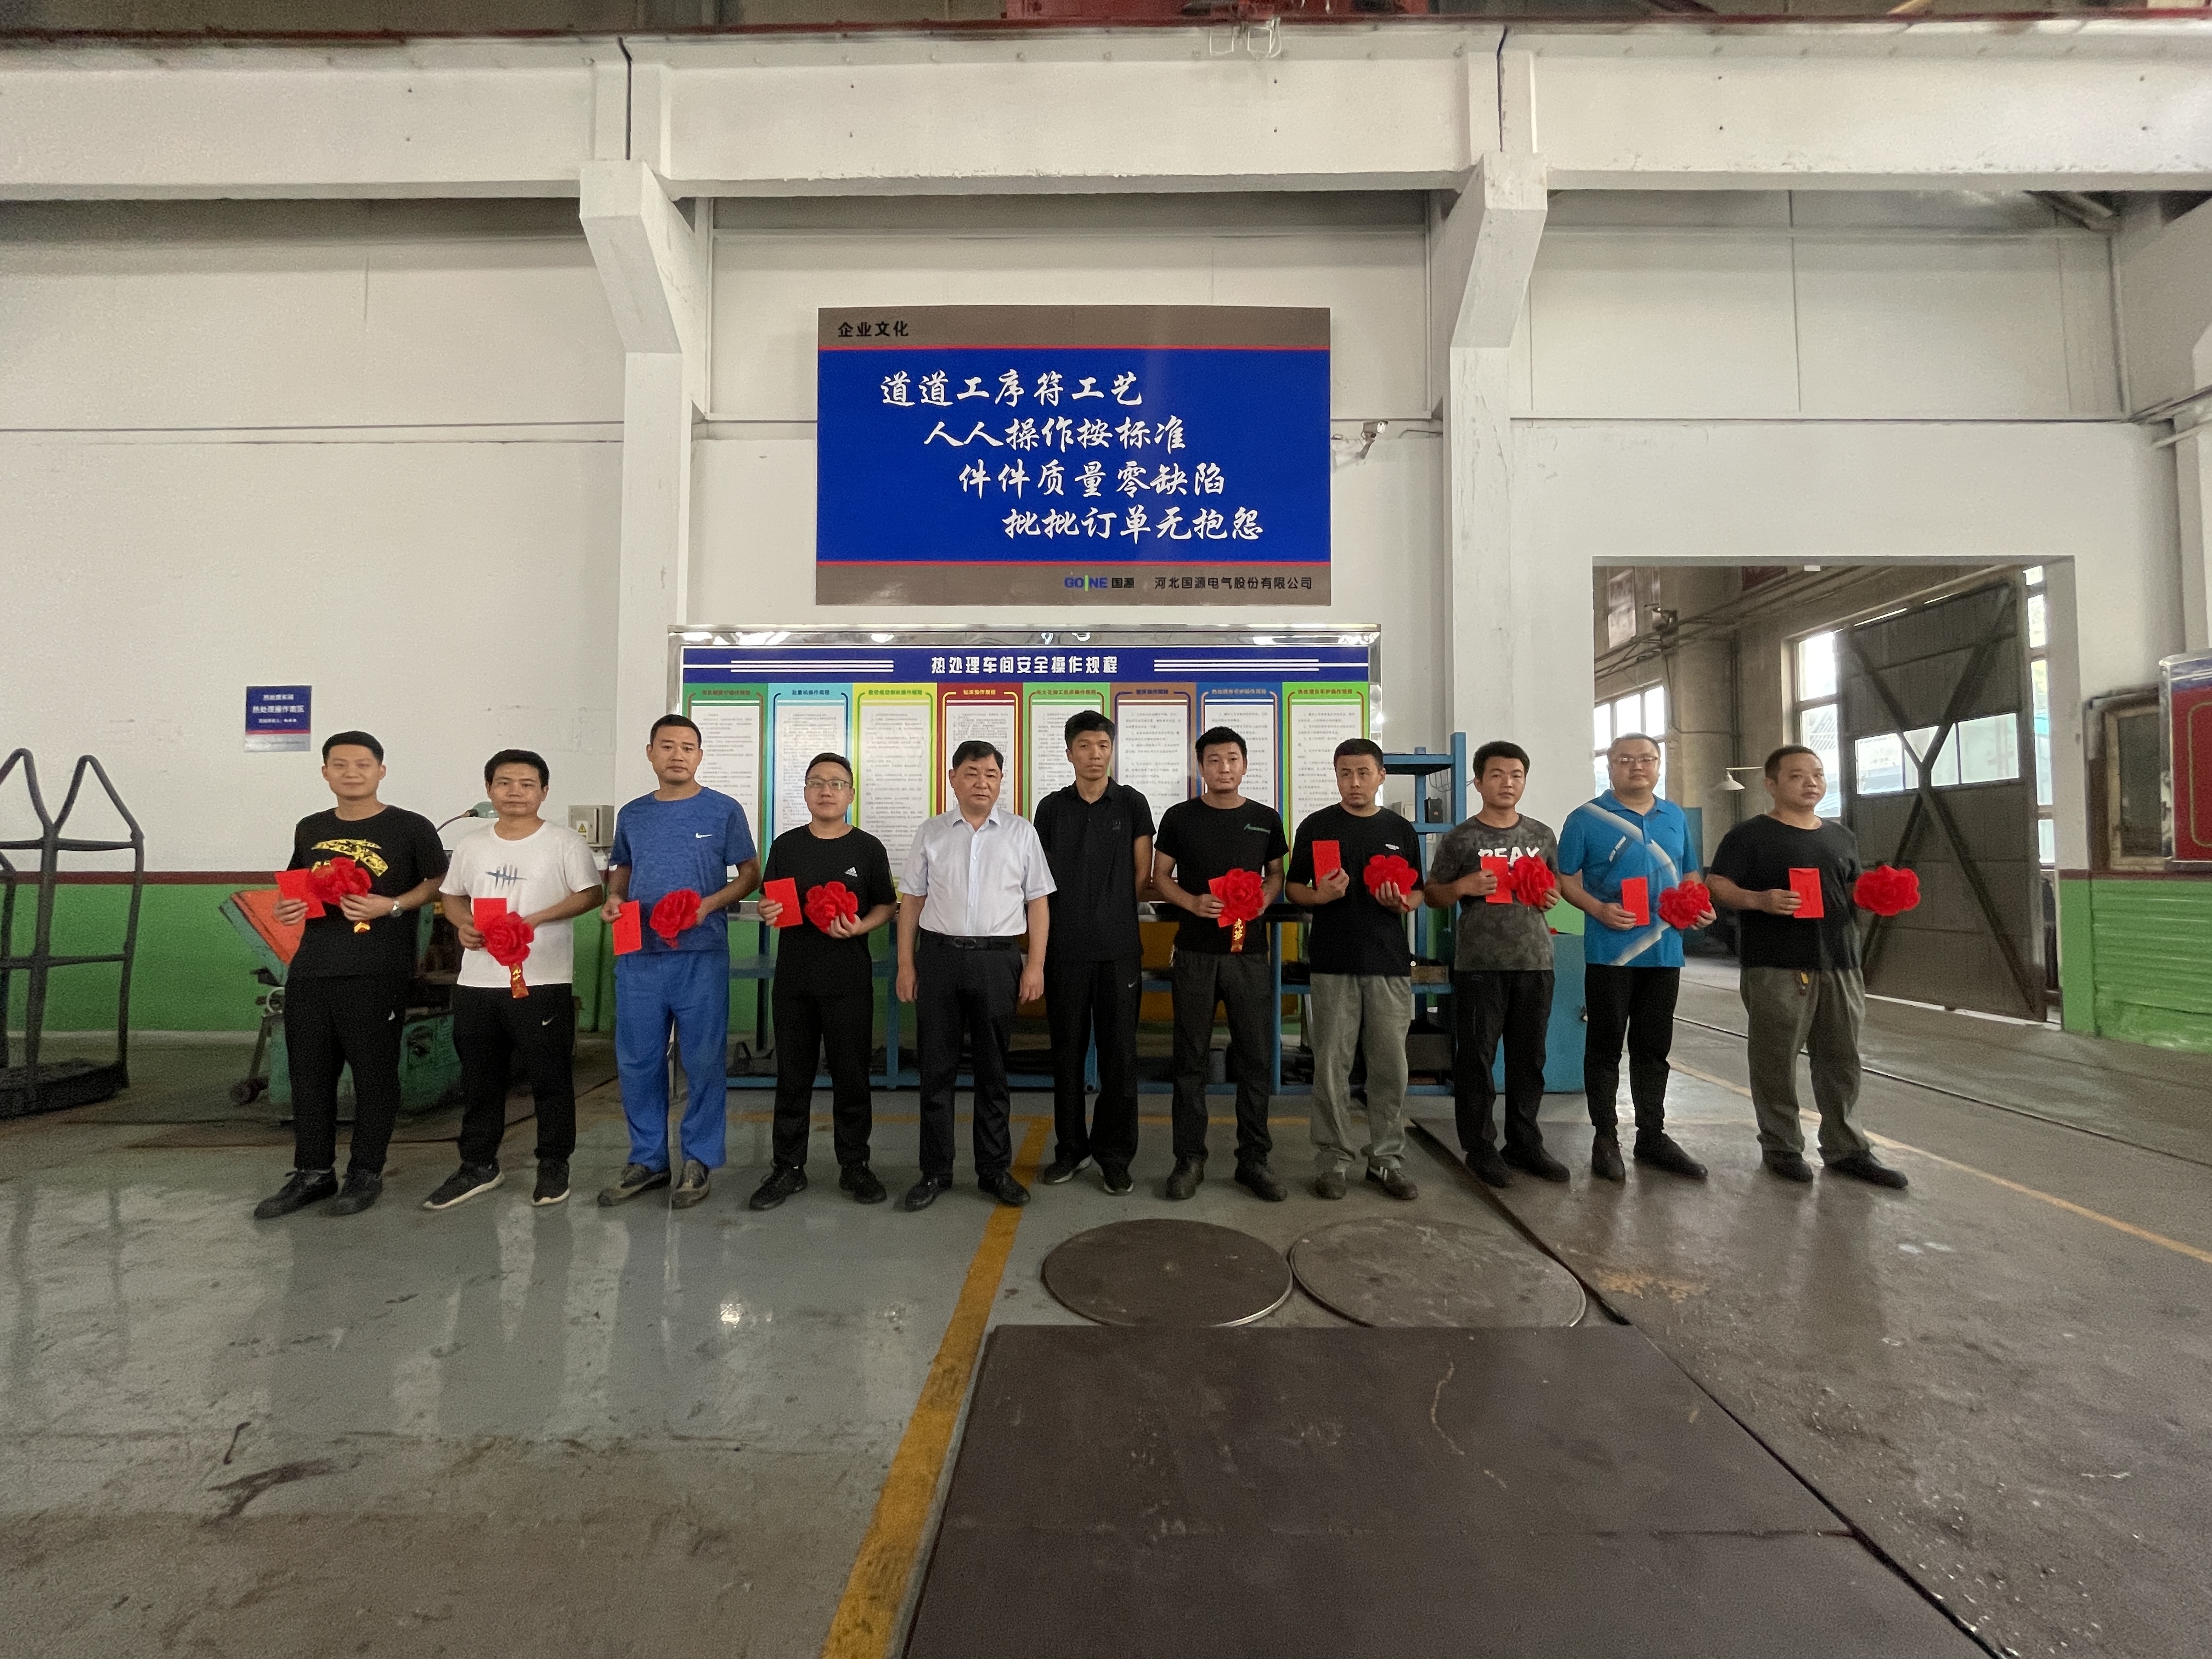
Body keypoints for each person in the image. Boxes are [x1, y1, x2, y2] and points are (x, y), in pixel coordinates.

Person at [253, 730, 448, 1220]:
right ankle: (313, 1172)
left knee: (374, 1075)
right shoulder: (310, 828)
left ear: (381, 771)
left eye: (362, 764)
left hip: (377, 969)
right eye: (339, 765)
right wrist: (288, 907)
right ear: (325, 773)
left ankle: (365, 1172)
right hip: (312, 968)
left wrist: (393, 905)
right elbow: (297, 885)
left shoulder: (410, 827)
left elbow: (440, 880)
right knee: (309, 1075)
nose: (351, 773)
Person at [1707, 745, 1908, 1189]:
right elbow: (1717, 884)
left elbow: (1850, 888)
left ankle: (1847, 1148)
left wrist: (1877, 893)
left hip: (1840, 962)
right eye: (1797, 775)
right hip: (1777, 964)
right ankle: (1781, 1146)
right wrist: (1759, 900)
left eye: (1817, 774)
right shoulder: (1750, 836)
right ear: (1772, 784)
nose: (1811, 782)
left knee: (1842, 1059)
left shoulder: (1841, 836)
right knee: (1775, 1058)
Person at [429, 748, 604, 1211]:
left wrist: (537, 919)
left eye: (527, 784)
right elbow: (452, 896)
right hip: (478, 982)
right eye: (504, 783)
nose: (515, 792)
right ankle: (478, 1165)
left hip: (542, 978)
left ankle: (554, 1163)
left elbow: (591, 894)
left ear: (544, 792)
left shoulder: (563, 843)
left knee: (549, 1077)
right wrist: (463, 924)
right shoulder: (472, 845)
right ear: (489, 789)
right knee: (480, 1079)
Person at [597, 714, 759, 1210]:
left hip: (700, 953)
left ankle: (699, 1159)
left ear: (700, 756)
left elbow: (750, 874)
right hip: (639, 955)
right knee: (638, 1061)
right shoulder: (633, 814)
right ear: (650, 753)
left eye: (688, 747)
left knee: (704, 1060)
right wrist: (614, 897)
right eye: (667, 746)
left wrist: (709, 905)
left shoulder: (723, 810)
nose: (677, 755)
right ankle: (647, 1159)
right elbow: (622, 867)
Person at [895, 740, 1055, 1212]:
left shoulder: (1021, 833)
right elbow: (912, 902)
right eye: (971, 773)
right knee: (936, 1070)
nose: (981, 783)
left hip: (998, 961)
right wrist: (906, 964)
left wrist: (1035, 965)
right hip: (939, 959)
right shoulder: (931, 833)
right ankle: (935, 1171)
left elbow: (1038, 902)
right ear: (953, 779)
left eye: (991, 774)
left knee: (993, 1071)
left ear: (1001, 781)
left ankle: (994, 1170)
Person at [1556, 731, 1716, 1183]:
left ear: (1658, 765)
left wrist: (1697, 903)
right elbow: (1565, 878)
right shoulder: (1585, 819)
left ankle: (1653, 1136)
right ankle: (1605, 1138)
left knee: (1653, 1049)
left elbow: (1690, 871)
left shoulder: (1674, 816)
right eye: (1625, 760)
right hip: (1611, 953)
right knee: (1605, 1048)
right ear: (1610, 767)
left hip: (1665, 952)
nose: (1637, 767)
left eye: (1646, 758)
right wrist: (1598, 909)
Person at [748, 753, 899, 1211]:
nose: (826, 790)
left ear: (850, 794)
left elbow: (886, 905)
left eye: (836, 783)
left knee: (852, 1077)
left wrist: (860, 927)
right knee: (792, 1077)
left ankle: (855, 1164)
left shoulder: (867, 848)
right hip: (794, 980)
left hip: (848, 980)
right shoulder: (787, 846)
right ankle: (787, 1168)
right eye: (817, 782)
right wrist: (767, 909)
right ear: (806, 793)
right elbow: (771, 902)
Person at [1152, 725, 1289, 1201]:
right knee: (1189, 1059)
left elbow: (1276, 873)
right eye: (1214, 760)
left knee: (1255, 1058)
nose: (1224, 767)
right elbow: (1160, 876)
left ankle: (1254, 1160)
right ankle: (1189, 1158)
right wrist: (1191, 903)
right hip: (1195, 954)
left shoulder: (1265, 819)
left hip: (1249, 955)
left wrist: (1265, 898)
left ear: (1245, 765)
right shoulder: (1180, 817)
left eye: (1232, 759)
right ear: (1201, 767)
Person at [1285, 737, 1424, 1201]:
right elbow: (1294, 888)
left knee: (1390, 1067)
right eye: (1345, 773)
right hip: (1332, 963)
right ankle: (1333, 1159)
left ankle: (1386, 1159)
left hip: (1388, 964)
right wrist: (1318, 896)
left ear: (1381, 775)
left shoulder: (1400, 830)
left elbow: (1419, 891)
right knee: (1331, 1066)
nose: (1354, 782)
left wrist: (1404, 903)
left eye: (1364, 773)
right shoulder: (1316, 826)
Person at [1423, 741, 1566, 1188]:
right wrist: (1462, 886)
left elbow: (1555, 889)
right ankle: (1480, 1148)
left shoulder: (1542, 835)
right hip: (1480, 964)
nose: (1508, 783)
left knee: (1530, 1059)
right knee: (1477, 1060)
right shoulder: (1461, 838)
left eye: (1516, 775)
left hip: (1535, 961)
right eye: (1498, 775)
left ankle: (1524, 1143)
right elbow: (1432, 894)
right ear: (1479, 782)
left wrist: (1551, 896)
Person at [1031, 710, 1154, 1197]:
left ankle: (1115, 1156)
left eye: (1103, 745)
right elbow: (1039, 880)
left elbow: (1142, 875)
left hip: (1119, 951)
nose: (1095, 754)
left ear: (1112, 750)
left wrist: (1111, 910)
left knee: (1120, 1057)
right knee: (1066, 1054)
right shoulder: (1051, 808)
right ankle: (1071, 1149)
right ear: (1069, 753)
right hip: (1063, 951)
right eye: (1084, 746)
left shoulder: (1132, 803)